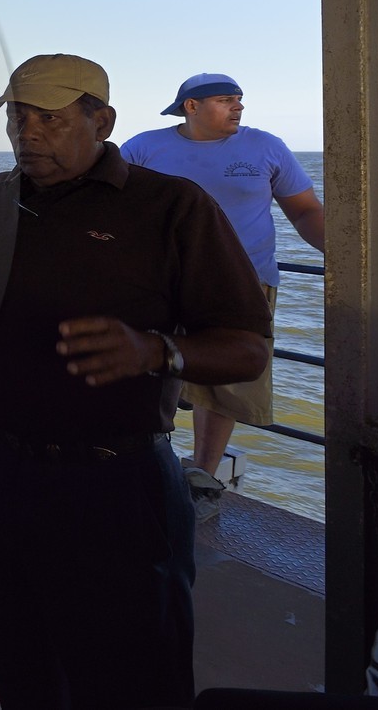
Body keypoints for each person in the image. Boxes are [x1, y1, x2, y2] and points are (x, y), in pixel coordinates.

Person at [0, 53, 271, 710]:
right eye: (18, 117)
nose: (29, 134)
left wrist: (155, 350)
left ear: (102, 120)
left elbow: (247, 348)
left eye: (50, 117)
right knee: (20, 661)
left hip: (114, 482)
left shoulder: (171, 208)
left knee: (130, 676)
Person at [121, 73, 325, 520]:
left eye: (239, 100)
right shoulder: (143, 147)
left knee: (226, 383)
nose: (238, 107)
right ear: (190, 107)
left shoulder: (266, 147)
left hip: (246, 284)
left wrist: (348, 257)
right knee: (151, 371)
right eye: (224, 100)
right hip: (159, 284)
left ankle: (204, 477)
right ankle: (146, 459)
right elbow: (113, 209)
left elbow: (306, 211)